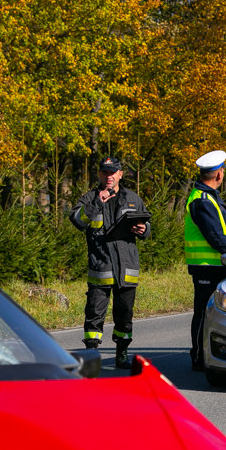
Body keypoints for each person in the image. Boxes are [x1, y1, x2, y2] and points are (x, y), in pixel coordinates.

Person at [69, 156, 151, 369]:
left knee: (125, 315)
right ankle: (91, 356)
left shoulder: (133, 199)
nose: (109, 176)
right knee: (94, 315)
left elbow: (147, 227)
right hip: (101, 268)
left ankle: (122, 353)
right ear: (99, 174)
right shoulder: (89, 198)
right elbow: (77, 221)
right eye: (105, 172)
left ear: (120, 174)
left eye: (113, 172)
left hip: (127, 269)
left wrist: (144, 230)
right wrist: (97, 203)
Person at [186, 150, 226, 371]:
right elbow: (215, 235)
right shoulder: (203, 200)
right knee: (203, 312)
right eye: (223, 170)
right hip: (207, 266)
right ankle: (198, 356)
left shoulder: (207, 197)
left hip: (214, 265)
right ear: (219, 174)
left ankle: (206, 353)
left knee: (211, 311)